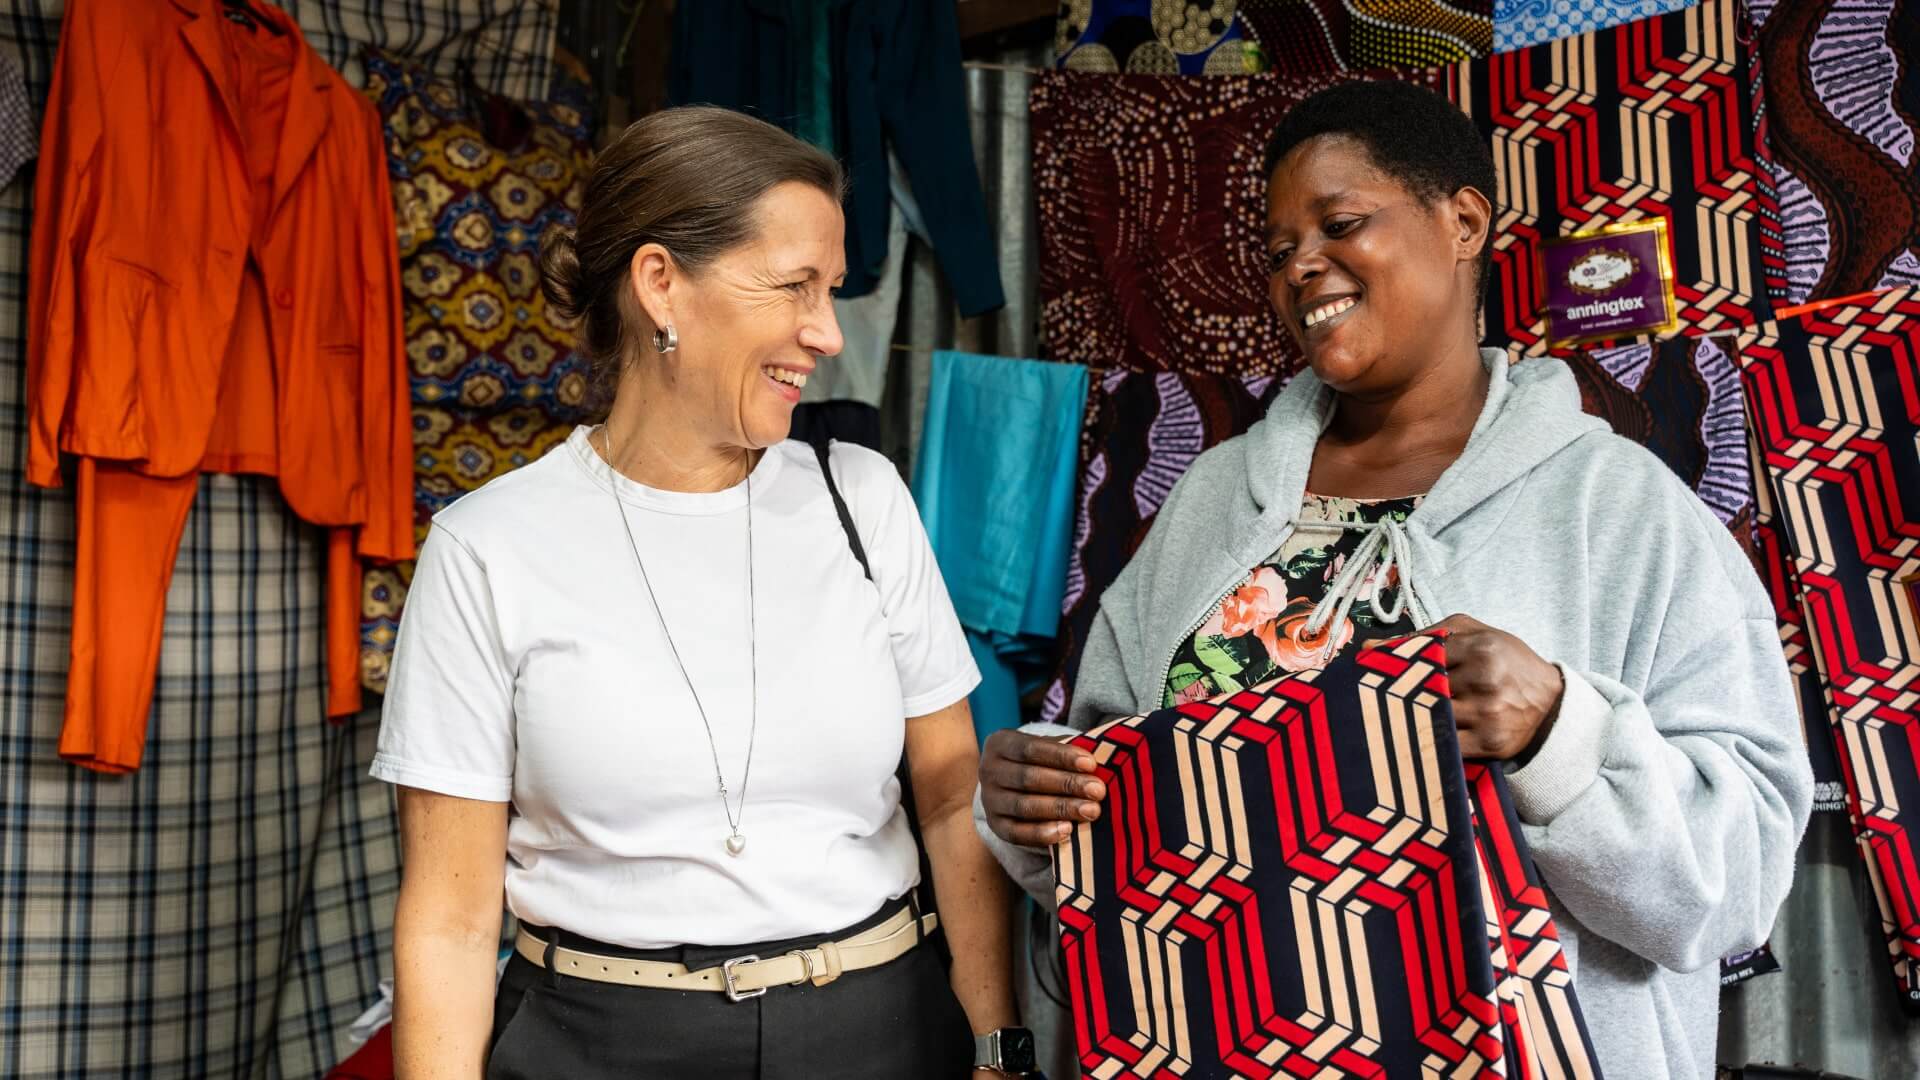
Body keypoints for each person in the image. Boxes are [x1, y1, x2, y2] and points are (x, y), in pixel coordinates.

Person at [976, 80, 1812, 1078]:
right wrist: (1038, 807)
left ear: (1462, 221)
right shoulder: (1211, 506)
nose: (1302, 268)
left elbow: (1739, 887)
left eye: (1340, 223)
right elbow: (1116, 791)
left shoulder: (1619, 512)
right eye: (1280, 249)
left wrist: (1562, 734)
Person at [374, 106, 1033, 1079]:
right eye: (792, 286)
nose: (823, 333)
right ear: (659, 285)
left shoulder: (862, 500)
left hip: (879, 1032)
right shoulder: (490, 548)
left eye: (831, 291)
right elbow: (450, 921)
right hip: (599, 1044)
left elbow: (946, 796)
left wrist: (993, 1042)